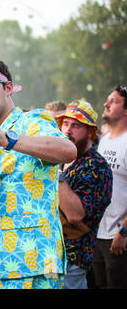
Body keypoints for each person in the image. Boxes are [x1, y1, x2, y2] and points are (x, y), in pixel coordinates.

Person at [0, 57, 77, 289]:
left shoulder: (32, 120)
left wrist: (8, 139)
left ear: (8, 88)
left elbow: (68, 150)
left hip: (32, 264)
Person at [55, 100, 112, 289]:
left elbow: (75, 215)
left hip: (72, 260)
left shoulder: (96, 165)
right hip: (52, 255)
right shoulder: (65, 159)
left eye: (76, 126)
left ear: (90, 132)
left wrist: (56, 173)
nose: (67, 130)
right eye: (65, 124)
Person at [93, 85, 127, 289]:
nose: (106, 104)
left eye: (113, 101)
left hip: (118, 237)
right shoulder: (103, 141)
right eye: (107, 100)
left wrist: (123, 232)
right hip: (98, 234)